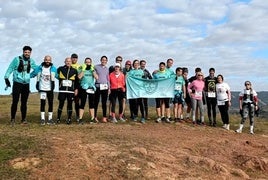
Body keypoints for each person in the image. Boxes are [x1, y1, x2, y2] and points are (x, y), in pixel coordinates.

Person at [4, 45, 37, 125]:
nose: (27, 54)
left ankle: (23, 120)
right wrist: (6, 78)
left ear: (30, 53)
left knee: (24, 102)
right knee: (15, 101)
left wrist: (30, 75)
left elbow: (36, 69)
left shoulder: (31, 61)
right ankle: (12, 119)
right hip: (17, 83)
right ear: (23, 52)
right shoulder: (16, 59)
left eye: (28, 52)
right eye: (25, 52)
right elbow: (10, 68)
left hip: (26, 84)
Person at [30, 55, 57, 125]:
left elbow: (59, 76)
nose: (47, 61)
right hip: (42, 89)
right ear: (44, 60)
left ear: (51, 61)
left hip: (50, 89)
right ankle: (42, 119)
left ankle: (50, 120)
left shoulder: (54, 69)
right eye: (46, 60)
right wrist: (23, 77)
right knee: (43, 103)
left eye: (49, 60)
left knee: (50, 103)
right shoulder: (39, 68)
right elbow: (32, 74)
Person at [56, 57, 79, 124]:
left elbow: (77, 81)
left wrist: (76, 89)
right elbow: (53, 72)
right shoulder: (60, 69)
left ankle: (69, 119)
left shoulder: (74, 70)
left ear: (71, 62)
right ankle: (58, 118)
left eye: (69, 61)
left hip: (70, 91)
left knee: (70, 105)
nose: (68, 62)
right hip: (62, 90)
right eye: (67, 61)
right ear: (64, 62)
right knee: (61, 104)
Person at [77, 57, 98, 124]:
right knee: (82, 103)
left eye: (89, 62)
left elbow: (97, 77)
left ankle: (92, 119)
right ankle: (80, 119)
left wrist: (92, 70)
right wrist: (83, 69)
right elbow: (79, 77)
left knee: (91, 103)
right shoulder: (81, 69)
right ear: (84, 63)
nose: (87, 63)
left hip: (91, 88)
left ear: (91, 63)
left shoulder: (93, 70)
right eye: (86, 62)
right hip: (83, 88)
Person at [94, 56, 110, 123]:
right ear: (101, 60)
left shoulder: (107, 69)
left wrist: (109, 88)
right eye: (103, 60)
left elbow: (108, 79)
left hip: (105, 87)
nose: (104, 61)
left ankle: (104, 117)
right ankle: (94, 117)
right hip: (98, 86)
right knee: (96, 102)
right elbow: (93, 74)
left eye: (105, 60)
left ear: (106, 61)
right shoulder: (96, 67)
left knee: (104, 103)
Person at [71, 53, 81, 122]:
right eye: (73, 58)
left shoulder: (79, 66)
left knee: (77, 102)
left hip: (77, 86)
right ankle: (69, 116)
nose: (74, 59)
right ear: (71, 58)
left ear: (77, 59)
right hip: (70, 86)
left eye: (75, 58)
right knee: (69, 102)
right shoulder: (69, 65)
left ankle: (78, 116)